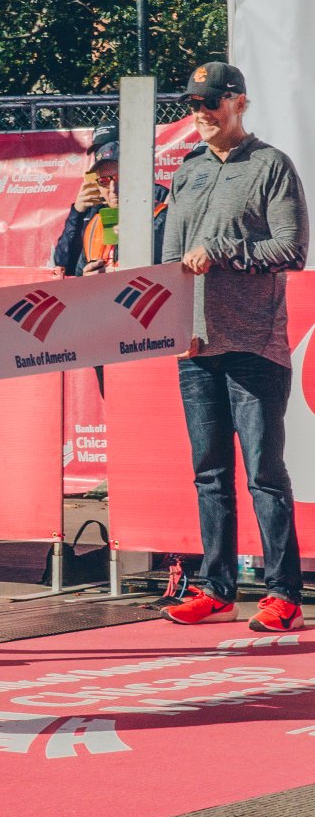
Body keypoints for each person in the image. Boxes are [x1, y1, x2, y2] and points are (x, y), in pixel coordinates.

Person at [160, 62, 309, 631]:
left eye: (211, 102)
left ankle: (283, 595)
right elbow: (171, 261)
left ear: (239, 103)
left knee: (265, 473)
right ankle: (217, 588)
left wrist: (222, 249)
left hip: (255, 343)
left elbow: (291, 249)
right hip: (195, 347)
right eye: (193, 104)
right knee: (209, 472)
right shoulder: (187, 170)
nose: (200, 113)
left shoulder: (271, 165)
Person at [53, 122, 168, 277]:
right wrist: (77, 213)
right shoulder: (94, 208)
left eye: (120, 177)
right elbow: (65, 266)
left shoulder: (159, 203)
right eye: (97, 149)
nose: (113, 188)